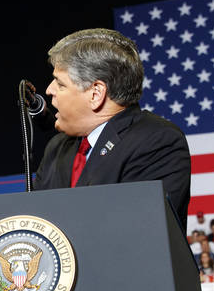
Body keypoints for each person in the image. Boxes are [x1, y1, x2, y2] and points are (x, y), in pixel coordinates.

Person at [32, 28, 191, 227]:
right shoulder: (56, 147)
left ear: (96, 93)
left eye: (60, 84)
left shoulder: (158, 141)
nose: (49, 90)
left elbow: (138, 231)